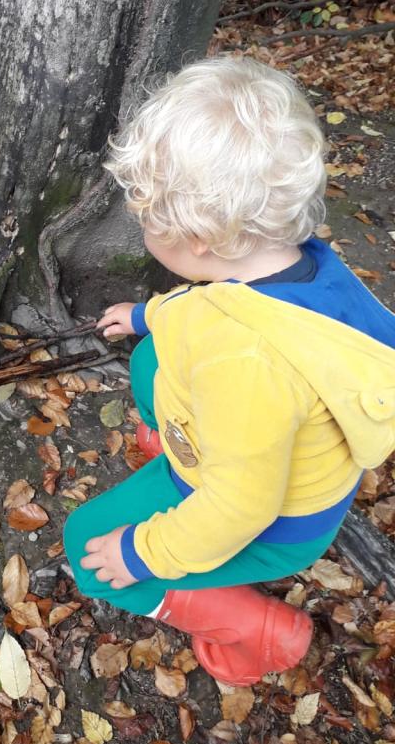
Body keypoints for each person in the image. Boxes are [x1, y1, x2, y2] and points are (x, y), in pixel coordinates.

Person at [63, 56, 395, 686]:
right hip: (272, 453)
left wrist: (142, 552)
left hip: (271, 523)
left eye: (147, 219)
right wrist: (146, 315)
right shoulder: (301, 265)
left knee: (87, 548)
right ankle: (184, 444)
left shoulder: (243, 362)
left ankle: (257, 631)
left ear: (198, 239)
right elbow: (207, 302)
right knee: (152, 355)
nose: (141, 226)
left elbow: (240, 508)